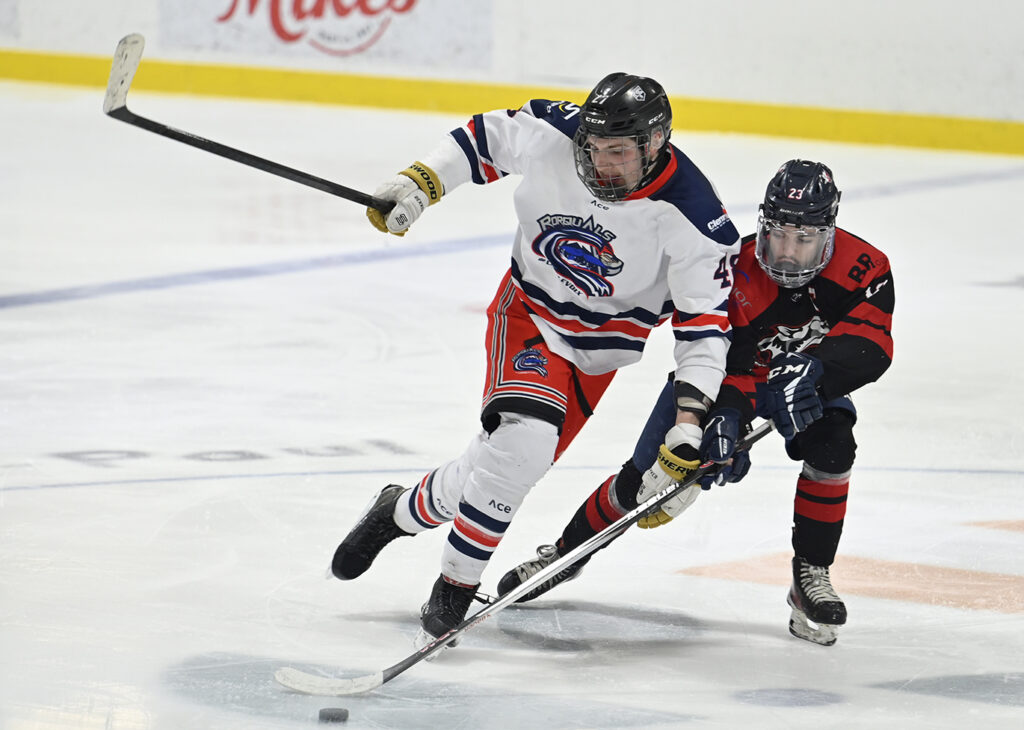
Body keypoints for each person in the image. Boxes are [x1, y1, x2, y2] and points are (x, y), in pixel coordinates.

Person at [329, 72, 742, 647]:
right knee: (521, 449)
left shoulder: (695, 217)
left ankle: (397, 512)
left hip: (598, 356)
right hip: (529, 316)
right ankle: (453, 590)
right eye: (593, 149)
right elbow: (483, 139)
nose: (600, 165)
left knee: (495, 466)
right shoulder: (556, 131)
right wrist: (421, 183)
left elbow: (704, 331)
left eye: (618, 152)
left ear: (655, 143)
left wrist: (688, 424)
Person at [495, 159, 895, 647]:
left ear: (828, 232)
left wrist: (817, 371)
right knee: (642, 480)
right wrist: (726, 417)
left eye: (803, 239)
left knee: (834, 449)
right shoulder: (733, 269)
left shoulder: (865, 267)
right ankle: (565, 553)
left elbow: (873, 345)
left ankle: (809, 574)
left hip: (806, 385)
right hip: (723, 385)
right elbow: (717, 357)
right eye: (777, 235)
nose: (787, 253)